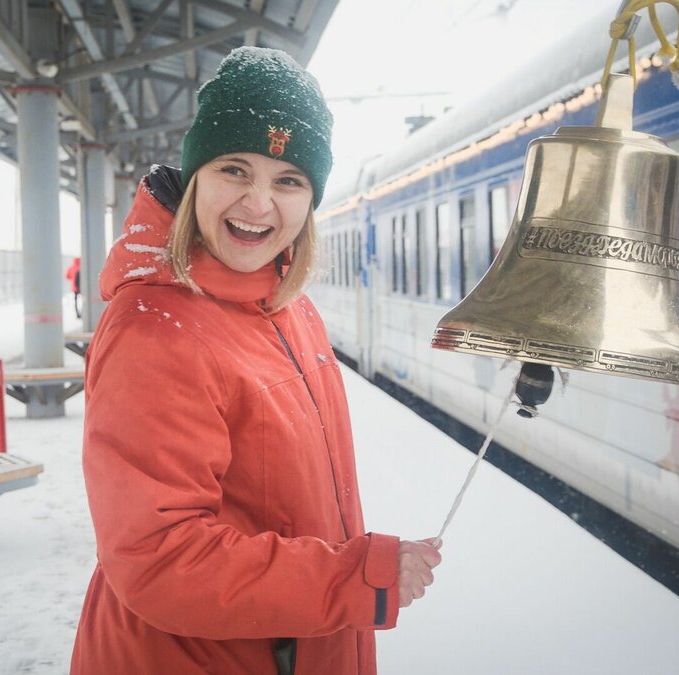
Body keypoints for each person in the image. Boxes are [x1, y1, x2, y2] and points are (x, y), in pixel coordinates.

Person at [71, 47, 441, 675]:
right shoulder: (154, 329)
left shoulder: (290, 311)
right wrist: (354, 576)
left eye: (288, 180)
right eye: (234, 170)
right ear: (195, 179)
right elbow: (160, 557)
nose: (258, 204)